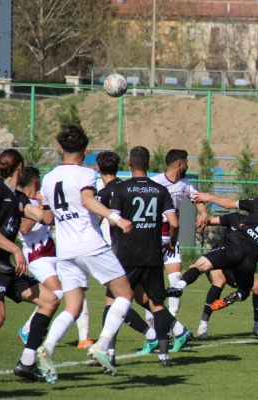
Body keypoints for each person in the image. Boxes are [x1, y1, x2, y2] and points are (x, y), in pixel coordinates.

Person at [39, 124, 135, 380]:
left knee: (72, 307)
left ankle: (47, 346)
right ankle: (101, 346)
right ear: (85, 149)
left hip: (65, 249)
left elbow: (47, 217)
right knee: (125, 293)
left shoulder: (48, 178)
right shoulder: (85, 174)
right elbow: (87, 201)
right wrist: (116, 218)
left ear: (61, 149)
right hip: (89, 243)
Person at [110, 146, 192, 366]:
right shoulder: (159, 190)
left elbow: (111, 220)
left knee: (114, 301)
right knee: (157, 304)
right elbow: (174, 223)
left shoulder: (121, 189)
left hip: (127, 254)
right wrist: (173, 241)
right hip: (153, 253)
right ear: (148, 164)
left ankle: (109, 352)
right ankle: (164, 355)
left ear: (129, 163)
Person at [165, 186, 258, 315]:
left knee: (199, 266)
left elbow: (228, 204)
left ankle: (178, 287)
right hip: (249, 261)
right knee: (245, 288)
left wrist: (209, 197)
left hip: (234, 247)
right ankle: (237, 296)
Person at [0, 150, 60, 383]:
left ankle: (26, 362)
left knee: (50, 300)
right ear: (21, 168)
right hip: (1, 264)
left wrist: (70, 208)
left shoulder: (18, 197)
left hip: (7, 267)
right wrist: (15, 249)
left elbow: (44, 218)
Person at [16, 167, 93, 350]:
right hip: (36, 257)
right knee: (57, 293)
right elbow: (24, 228)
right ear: (35, 181)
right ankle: (27, 329)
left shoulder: (40, 200)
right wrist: (42, 206)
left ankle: (84, 339)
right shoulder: (21, 202)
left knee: (77, 290)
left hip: (54, 253)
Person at [96, 151, 160, 364]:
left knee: (113, 303)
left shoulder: (107, 193)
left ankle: (108, 352)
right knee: (146, 299)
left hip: (122, 254)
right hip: (145, 251)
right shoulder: (125, 186)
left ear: (98, 169)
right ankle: (177, 331)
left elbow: (97, 220)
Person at [197, 212, 258, 340]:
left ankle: (257, 326)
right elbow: (210, 221)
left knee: (257, 287)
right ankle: (203, 326)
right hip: (218, 259)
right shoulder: (234, 217)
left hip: (236, 267)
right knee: (219, 281)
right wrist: (202, 219)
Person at [151, 149, 209, 319]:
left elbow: (197, 200)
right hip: (153, 237)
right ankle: (151, 320)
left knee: (176, 276)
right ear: (179, 164)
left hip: (171, 237)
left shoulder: (185, 184)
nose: (187, 165)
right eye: (186, 162)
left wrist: (203, 213)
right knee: (151, 278)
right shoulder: (155, 182)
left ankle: (171, 319)